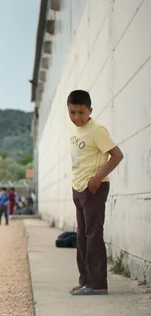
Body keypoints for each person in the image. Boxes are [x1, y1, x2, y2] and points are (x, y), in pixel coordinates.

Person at [67, 90, 124, 296]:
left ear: (90, 110)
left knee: (93, 235)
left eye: (81, 112)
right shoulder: (75, 130)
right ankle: (85, 281)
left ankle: (98, 283)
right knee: (82, 236)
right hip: (79, 187)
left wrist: (97, 178)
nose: (77, 117)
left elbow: (117, 156)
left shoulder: (97, 130)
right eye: (72, 112)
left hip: (94, 188)